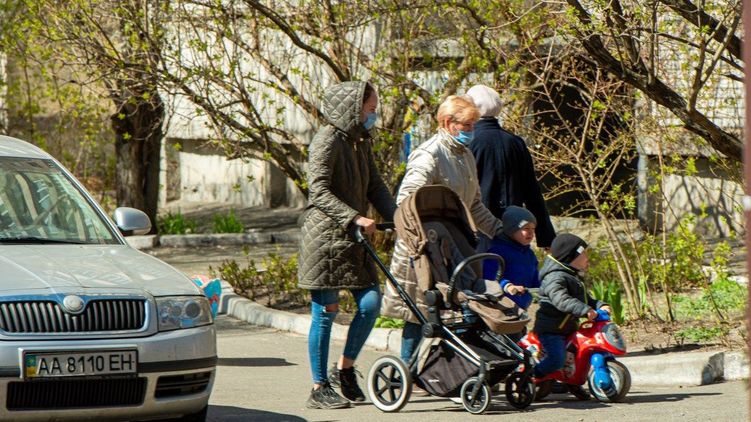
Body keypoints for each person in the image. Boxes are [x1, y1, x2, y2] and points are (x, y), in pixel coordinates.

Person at [381, 95, 504, 367]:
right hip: (423, 247)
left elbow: (474, 205)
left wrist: (499, 230)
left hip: (454, 243)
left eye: (473, 125)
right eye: (467, 125)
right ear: (449, 123)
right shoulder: (429, 154)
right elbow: (407, 200)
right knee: (418, 313)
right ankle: (407, 370)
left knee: (455, 309)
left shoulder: (465, 155)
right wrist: (427, 235)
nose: (472, 131)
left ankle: (449, 370)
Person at [297, 81, 396, 409]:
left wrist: (399, 217)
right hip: (325, 240)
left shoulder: (360, 141)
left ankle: (345, 369)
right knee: (325, 313)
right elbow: (318, 191)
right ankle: (319, 387)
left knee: (370, 304)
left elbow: (375, 186)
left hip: (353, 238)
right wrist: (354, 217)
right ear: (354, 108)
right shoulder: (327, 140)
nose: (374, 115)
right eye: (371, 109)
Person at [465, 84, 555, 250]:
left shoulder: (469, 142)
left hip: (478, 229)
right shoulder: (515, 142)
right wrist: (546, 237)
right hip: (514, 228)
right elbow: (532, 192)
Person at [533, 233, 611, 398]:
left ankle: (573, 382)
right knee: (558, 359)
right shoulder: (554, 277)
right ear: (570, 257)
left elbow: (586, 300)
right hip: (551, 330)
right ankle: (532, 376)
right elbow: (561, 300)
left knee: (579, 355)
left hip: (567, 328)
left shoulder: (571, 275)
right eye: (583, 254)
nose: (587, 258)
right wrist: (585, 311)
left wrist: (599, 305)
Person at [482, 206, 540, 336]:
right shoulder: (497, 251)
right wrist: (507, 286)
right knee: (505, 343)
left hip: (521, 310)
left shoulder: (529, 254)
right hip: (501, 310)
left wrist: (545, 288)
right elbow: (490, 277)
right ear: (511, 229)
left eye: (533, 229)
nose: (531, 233)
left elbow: (535, 279)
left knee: (519, 341)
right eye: (526, 228)